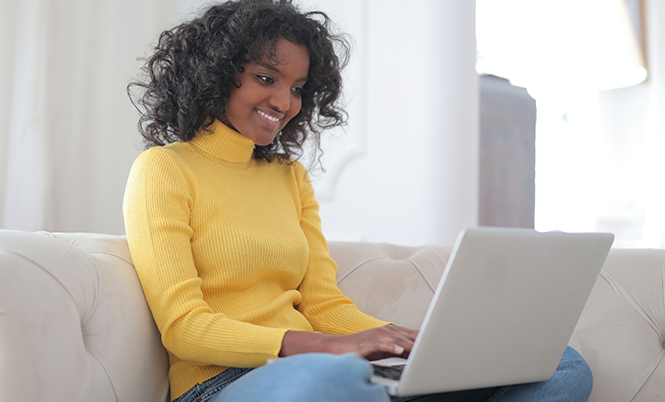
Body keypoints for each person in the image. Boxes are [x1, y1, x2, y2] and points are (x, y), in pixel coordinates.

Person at [123, 1, 593, 401]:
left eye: (298, 88)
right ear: (216, 74)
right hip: (223, 383)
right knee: (339, 375)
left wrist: (414, 344)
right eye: (267, 78)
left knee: (562, 365)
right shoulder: (165, 170)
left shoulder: (289, 178)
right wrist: (324, 349)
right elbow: (184, 327)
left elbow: (324, 304)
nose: (285, 102)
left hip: (326, 373)